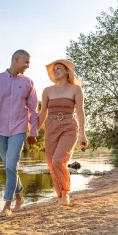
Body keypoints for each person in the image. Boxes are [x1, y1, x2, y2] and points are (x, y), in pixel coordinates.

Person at [0, 49, 39, 217]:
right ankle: (19, 196)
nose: (28, 66)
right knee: (8, 166)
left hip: (18, 128)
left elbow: (34, 110)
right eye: (26, 62)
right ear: (16, 59)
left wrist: (33, 132)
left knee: (11, 164)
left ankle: (7, 205)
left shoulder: (28, 83)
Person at [39, 59, 88, 205]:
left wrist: (83, 133)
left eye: (58, 68)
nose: (55, 70)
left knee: (58, 160)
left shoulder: (76, 89)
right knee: (51, 162)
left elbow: (80, 112)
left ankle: (65, 192)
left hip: (69, 126)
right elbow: (42, 113)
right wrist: (34, 131)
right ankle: (59, 194)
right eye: (53, 69)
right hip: (51, 127)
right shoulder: (47, 91)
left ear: (67, 71)